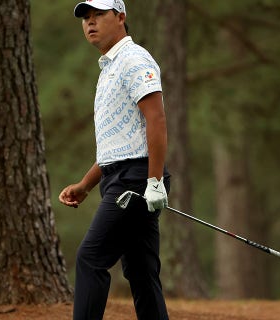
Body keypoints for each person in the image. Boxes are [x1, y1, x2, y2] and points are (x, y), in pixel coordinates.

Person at [58, 0, 171, 319]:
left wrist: (154, 180)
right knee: (141, 271)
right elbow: (118, 146)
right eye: (86, 18)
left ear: (120, 17)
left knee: (90, 258)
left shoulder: (134, 59)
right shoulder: (109, 68)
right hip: (122, 177)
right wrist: (85, 185)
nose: (90, 23)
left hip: (135, 181)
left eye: (99, 15)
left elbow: (157, 120)